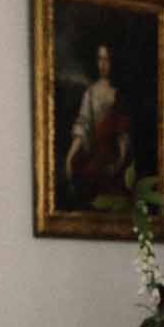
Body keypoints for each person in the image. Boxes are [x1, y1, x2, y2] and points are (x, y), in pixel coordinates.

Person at [63, 42, 131, 206]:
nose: (103, 64)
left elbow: (123, 133)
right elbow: (83, 125)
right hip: (95, 157)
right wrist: (70, 156)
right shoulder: (90, 92)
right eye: (100, 59)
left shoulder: (119, 94)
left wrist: (119, 161)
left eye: (107, 60)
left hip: (113, 159)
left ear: (113, 61)